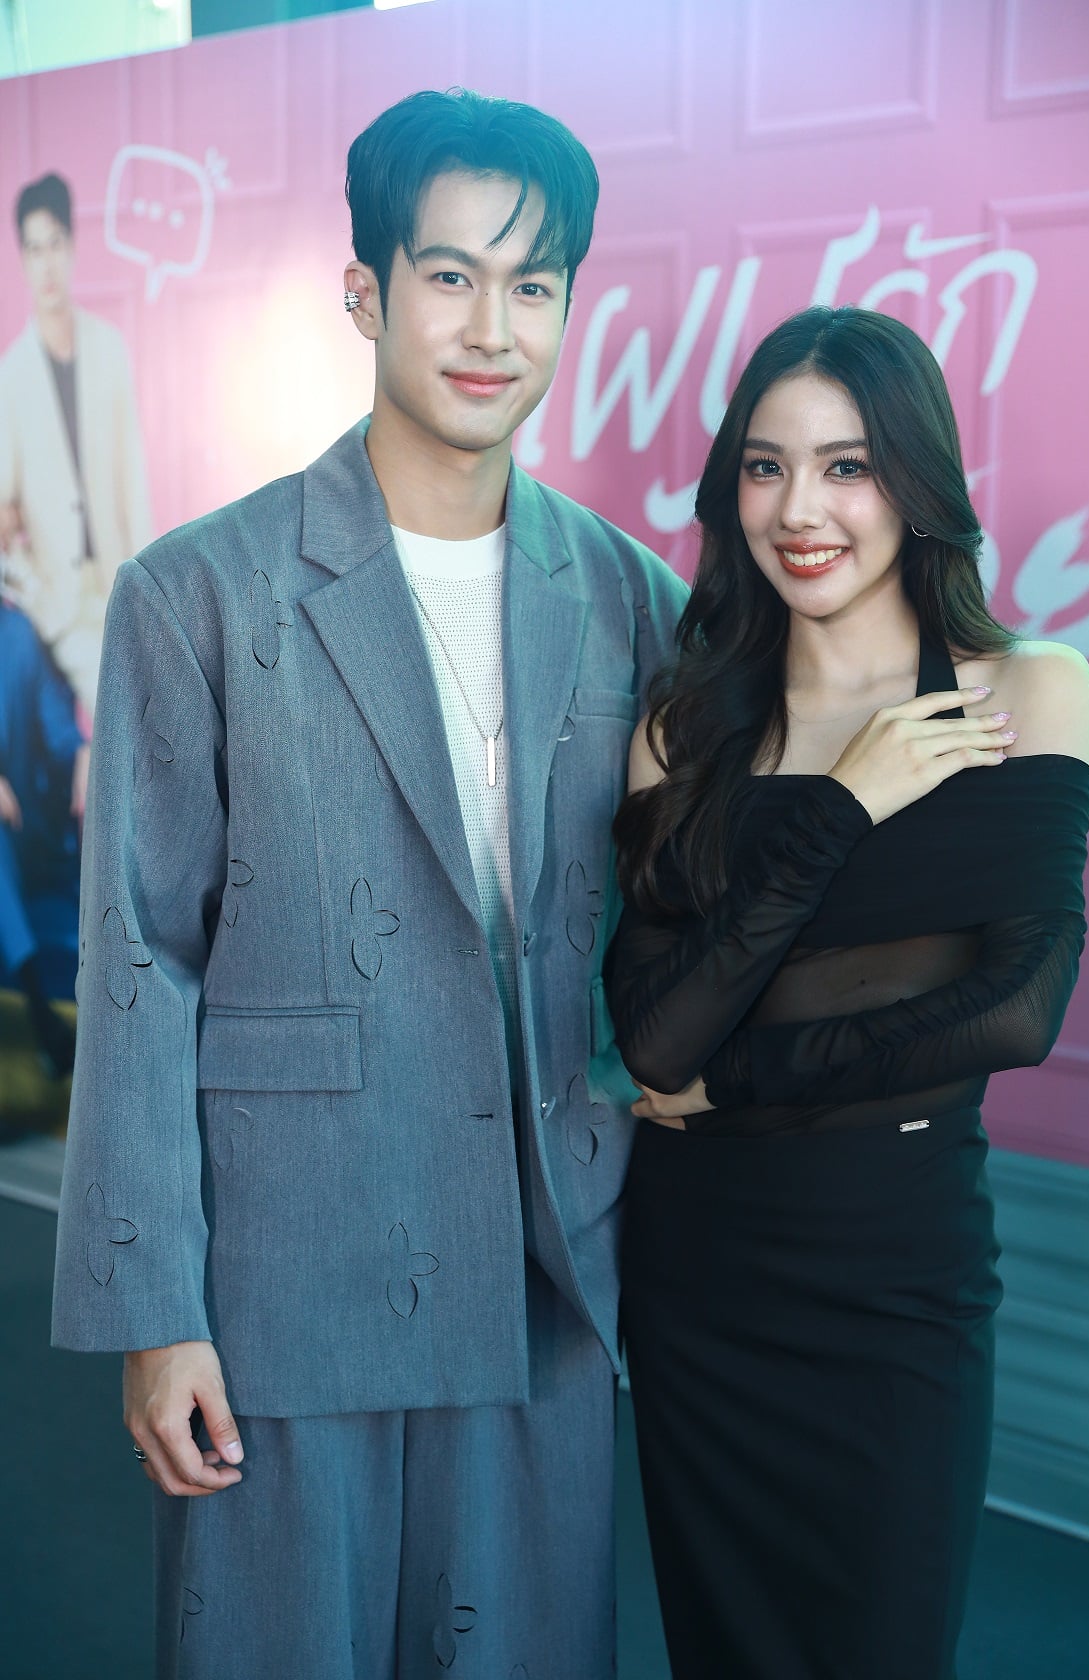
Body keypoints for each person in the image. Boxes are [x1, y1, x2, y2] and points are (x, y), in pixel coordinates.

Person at [51, 89, 686, 1679]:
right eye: (450, 275)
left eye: (532, 284)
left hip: (547, 1268)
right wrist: (156, 1311)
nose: (492, 327)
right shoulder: (198, 591)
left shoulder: (634, 598)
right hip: (288, 1271)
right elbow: (138, 960)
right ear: (366, 292)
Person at [606, 305, 1089, 1680]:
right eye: (765, 467)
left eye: (847, 466)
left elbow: (1016, 1009)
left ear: (914, 479)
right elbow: (653, 1039)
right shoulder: (682, 727)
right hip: (702, 1284)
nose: (799, 510)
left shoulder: (1025, 690)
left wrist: (738, 1081)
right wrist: (840, 802)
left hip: (896, 1278)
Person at [0, 171, 151, 720]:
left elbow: (132, 481)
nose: (46, 264)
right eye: (34, 250)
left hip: (119, 582)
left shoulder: (108, 348)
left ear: (73, 246)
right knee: (122, 704)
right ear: (22, 259)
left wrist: (149, 582)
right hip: (59, 608)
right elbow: (3, 513)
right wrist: (33, 592)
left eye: (55, 244)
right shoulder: (11, 376)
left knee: (171, 695)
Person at [0, 598, 85, 1078]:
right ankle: (41, 1013)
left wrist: (86, 753)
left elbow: (57, 726)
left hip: (29, 834)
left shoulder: (17, 634)